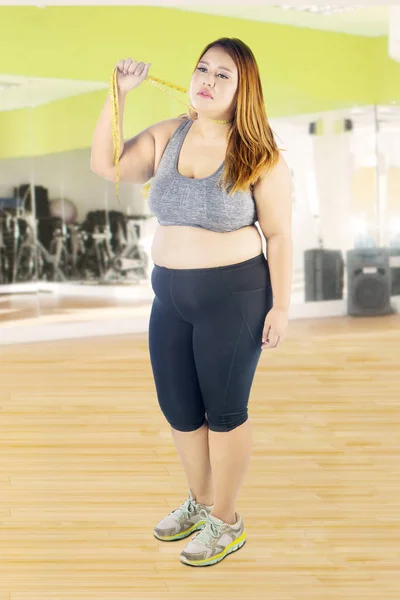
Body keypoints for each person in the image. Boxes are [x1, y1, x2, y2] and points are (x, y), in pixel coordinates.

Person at [91, 37, 293, 567]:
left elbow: (280, 235)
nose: (206, 78)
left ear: (243, 88)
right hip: (170, 297)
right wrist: (117, 93)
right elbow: (105, 163)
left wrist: (282, 307)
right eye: (202, 68)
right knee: (180, 409)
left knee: (224, 413)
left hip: (236, 297)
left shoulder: (260, 152)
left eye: (222, 74)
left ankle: (226, 521)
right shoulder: (169, 135)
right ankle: (201, 503)